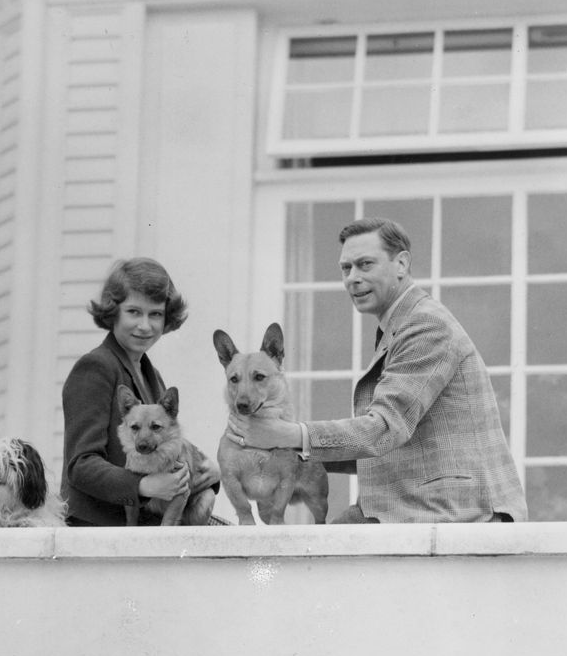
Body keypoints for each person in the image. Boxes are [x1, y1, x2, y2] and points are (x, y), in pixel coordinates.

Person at [228, 218, 527, 523]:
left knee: (311, 559)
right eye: (346, 268)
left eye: (365, 264)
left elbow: (383, 430)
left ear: (401, 264)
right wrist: (283, 445)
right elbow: (383, 451)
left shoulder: (426, 325)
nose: (352, 278)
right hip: (416, 506)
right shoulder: (399, 326)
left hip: (457, 512)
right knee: (309, 557)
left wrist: (291, 434)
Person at [61, 257, 220, 526]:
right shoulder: (96, 367)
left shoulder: (150, 374)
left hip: (144, 532)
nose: (145, 325)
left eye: (155, 314)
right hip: (99, 530)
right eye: (134, 312)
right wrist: (144, 486)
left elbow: (169, 439)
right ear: (114, 312)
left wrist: (210, 470)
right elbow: (81, 465)